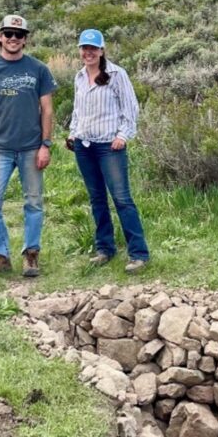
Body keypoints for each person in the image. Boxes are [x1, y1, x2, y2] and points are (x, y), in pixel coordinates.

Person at [0, 14, 56, 277]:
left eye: (19, 35)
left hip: (32, 147)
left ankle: (31, 254)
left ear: (25, 39)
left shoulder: (39, 69)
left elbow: (47, 110)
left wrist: (45, 144)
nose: (13, 39)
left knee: (33, 202)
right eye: (8, 34)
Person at [66, 29, 150, 273]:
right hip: (84, 144)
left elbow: (130, 107)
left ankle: (139, 254)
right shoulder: (79, 77)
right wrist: (73, 132)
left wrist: (123, 135)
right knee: (97, 199)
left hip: (109, 146)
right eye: (84, 48)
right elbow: (77, 110)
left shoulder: (116, 74)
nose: (88, 52)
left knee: (122, 199)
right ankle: (105, 248)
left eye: (93, 48)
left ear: (102, 50)